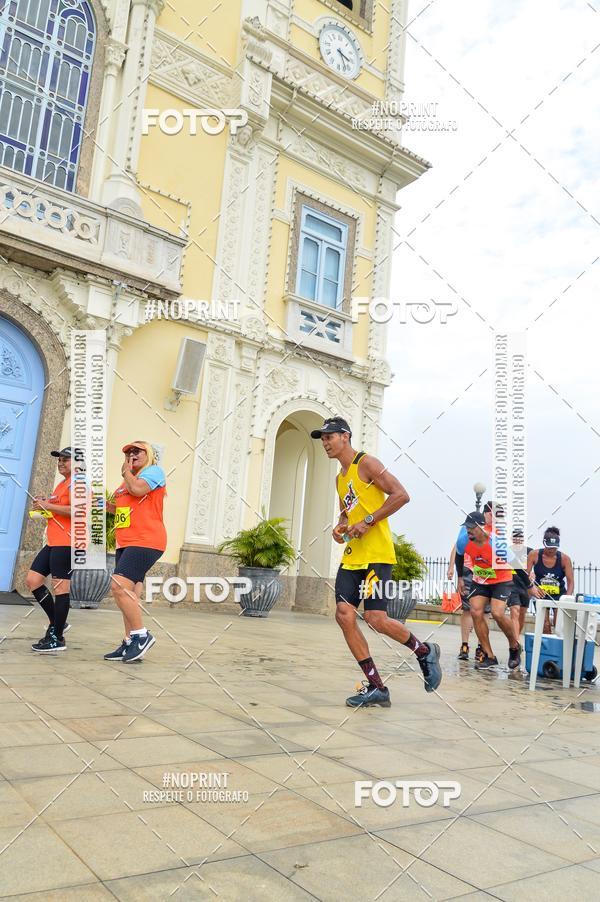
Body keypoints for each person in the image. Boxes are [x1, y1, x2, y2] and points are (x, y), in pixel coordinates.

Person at [311, 416, 442, 707]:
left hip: (377, 557)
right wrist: (341, 526)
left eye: (329, 437)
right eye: (322, 438)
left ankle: (424, 651)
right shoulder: (339, 478)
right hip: (353, 557)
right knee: (344, 615)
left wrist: (369, 521)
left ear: (345, 436)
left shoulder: (367, 463)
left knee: (375, 619)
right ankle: (376, 687)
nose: (325, 443)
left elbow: (401, 495)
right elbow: (347, 513)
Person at [104, 441, 166, 663]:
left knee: (118, 586)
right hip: (126, 542)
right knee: (129, 595)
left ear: (148, 454)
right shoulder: (126, 481)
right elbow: (124, 509)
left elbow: (138, 489)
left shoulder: (153, 472)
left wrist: (126, 472)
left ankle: (141, 635)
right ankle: (130, 642)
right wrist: (107, 506)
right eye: (128, 452)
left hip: (147, 540)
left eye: (137, 451)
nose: (131, 454)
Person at [456, 512, 537, 670]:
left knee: (498, 613)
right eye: (466, 528)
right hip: (481, 579)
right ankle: (489, 655)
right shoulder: (463, 540)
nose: (468, 531)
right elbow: (459, 557)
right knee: (475, 612)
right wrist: (460, 577)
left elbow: (516, 565)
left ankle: (514, 647)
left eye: (471, 528)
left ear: (481, 527)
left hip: (501, 579)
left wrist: (529, 586)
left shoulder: (495, 543)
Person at [26, 447, 74, 653]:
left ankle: (57, 638)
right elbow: (57, 511)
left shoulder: (80, 483)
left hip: (70, 542)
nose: (61, 463)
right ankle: (58, 623)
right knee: (33, 580)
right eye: (59, 460)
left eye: (66, 460)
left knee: (60, 588)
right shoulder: (62, 484)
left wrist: (48, 505)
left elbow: (77, 511)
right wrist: (43, 506)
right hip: (54, 541)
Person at [527, 527, 574, 634]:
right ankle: (546, 649)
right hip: (541, 594)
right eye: (549, 548)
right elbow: (525, 574)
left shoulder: (564, 559)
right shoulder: (534, 555)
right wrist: (531, 588)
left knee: (559, 626)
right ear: (544, 544)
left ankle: (558, 649)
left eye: (554, 548)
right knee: (545, 626)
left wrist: (567, 599)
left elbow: (570, 581)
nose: (552, 551)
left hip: (558, 596)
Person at [508, 528, 533, 638]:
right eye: (515, 537)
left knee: (522, 613)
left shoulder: (530, 552)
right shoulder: (507, 551)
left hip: (525, 586)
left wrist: (533, 574)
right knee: (514, 611)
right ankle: (516, 642)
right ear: (511, 538)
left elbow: (536, 567)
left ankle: (517, 635)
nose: (517, 539)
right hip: (511, 585)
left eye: (520, 537)